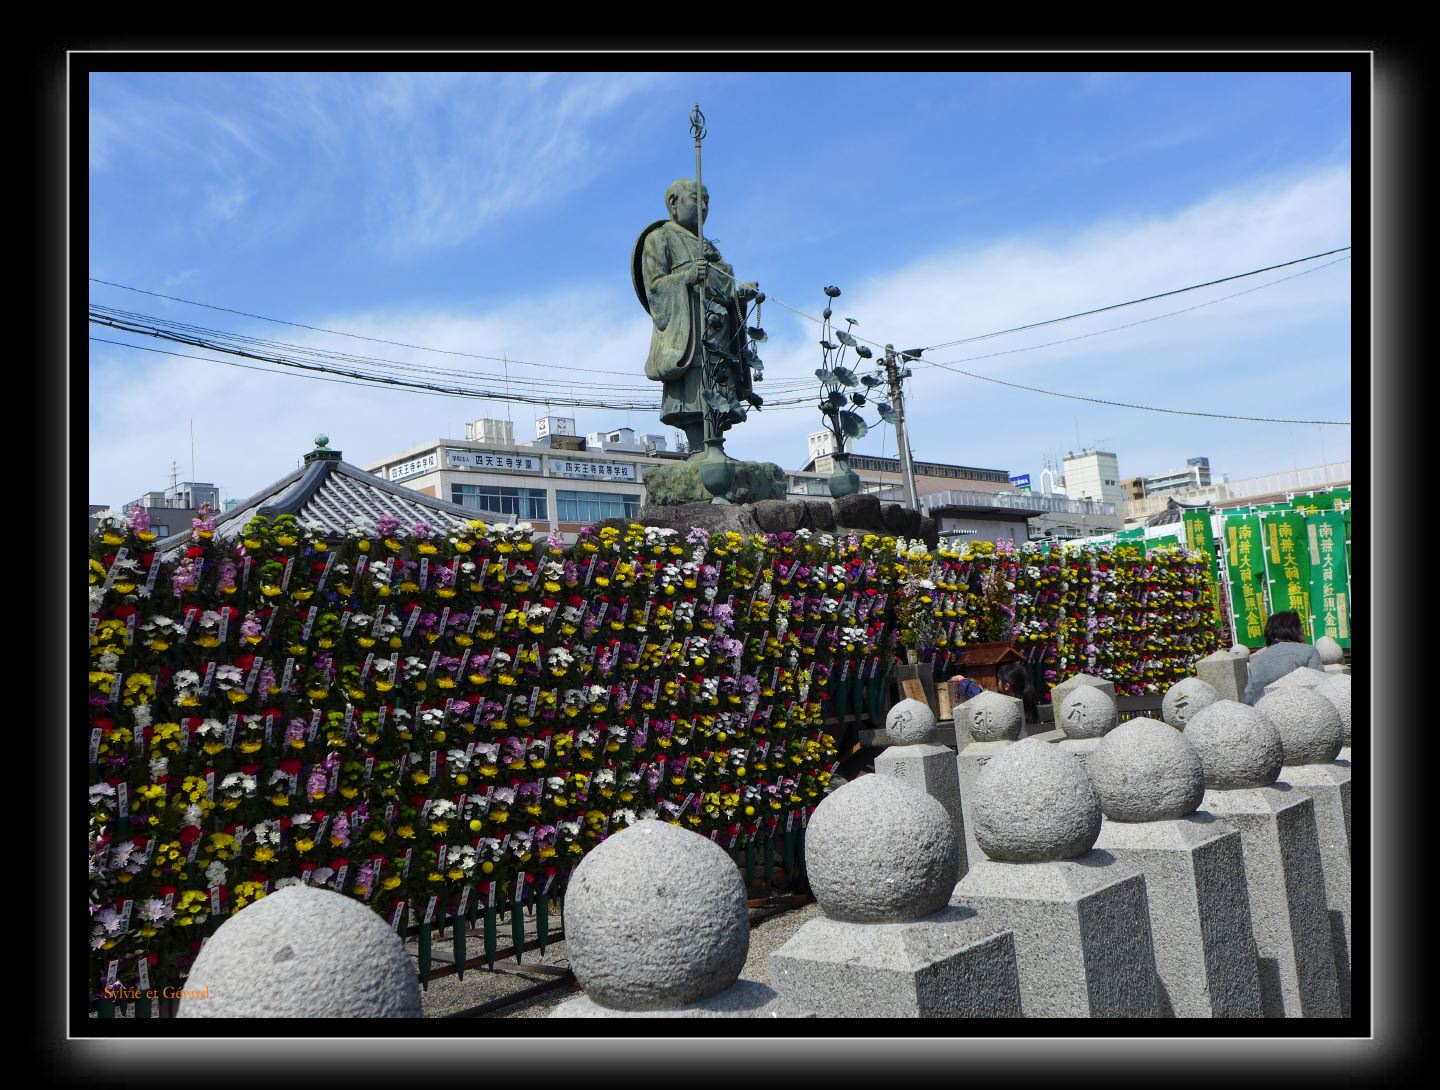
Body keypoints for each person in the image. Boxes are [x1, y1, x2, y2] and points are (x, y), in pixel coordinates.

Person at [633, 179, 761, 456]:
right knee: (695, 390)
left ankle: (716, 445)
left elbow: (723, 291)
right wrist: (685, 279)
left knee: (719, 389)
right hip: (690, 335)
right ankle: (697, 448)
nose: (703, 207)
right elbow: (654, 288)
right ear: (673, 204)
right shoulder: (660, 238)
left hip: (718, 334)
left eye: (707, 202)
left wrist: (739, 295)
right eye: (696, 199)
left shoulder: (708, 247)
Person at [1241, 611, 1324, 705]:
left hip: (1265, 713)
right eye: (1300, 625)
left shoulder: (1256, 662)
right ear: (1293, 629)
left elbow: (1249, 698)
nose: (1303, 629)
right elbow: (1322, 688)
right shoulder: (1308, 652)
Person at [996, 660, 1040, 724]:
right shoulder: (1028, 702)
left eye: (998, 680)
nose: (997, 683)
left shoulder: (1006, 708)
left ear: (1006, 686)